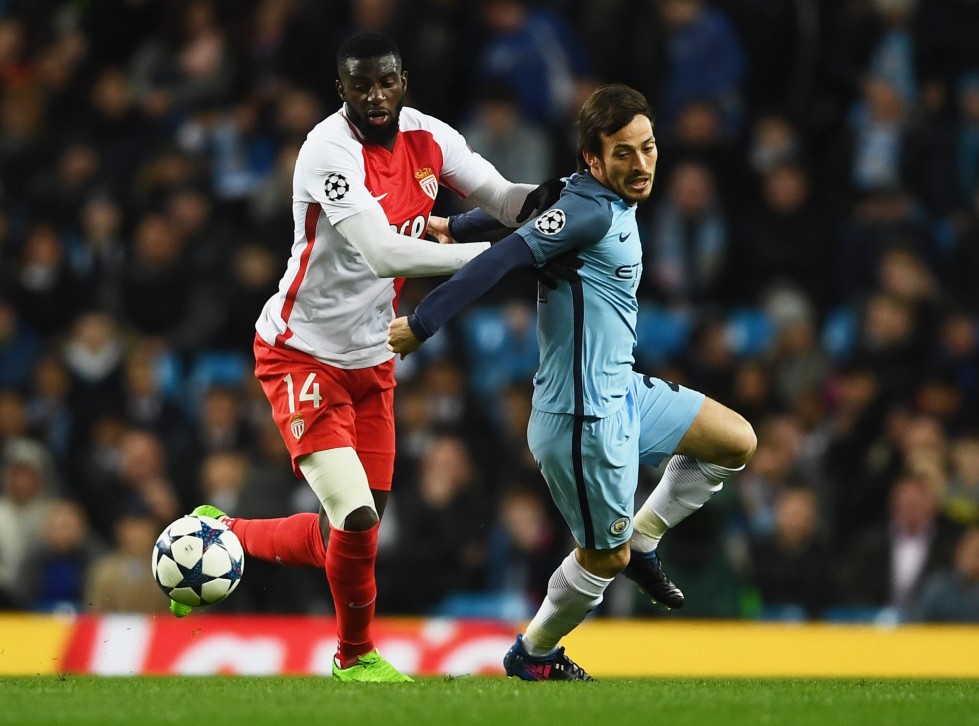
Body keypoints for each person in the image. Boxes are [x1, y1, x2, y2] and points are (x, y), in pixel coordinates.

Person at [172, 31, 562, 683]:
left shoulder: (431, 138)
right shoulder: (326, 151)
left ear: (403, 79)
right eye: (361, 84)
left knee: (353, 534)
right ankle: (354, 657)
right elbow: (385, 253)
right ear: (342, 90)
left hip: (372, 359)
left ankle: (230, 533)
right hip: (300, 353)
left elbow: (501, 198)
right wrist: (503, 258)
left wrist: (563, 202)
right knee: (352, 514)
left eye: (386, 81)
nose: (375, 96)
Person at [387, 84, 757, 680]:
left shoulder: (575, 193)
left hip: (623, 391)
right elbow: (505, 255)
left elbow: (525, 208)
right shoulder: (588, 209)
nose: (640, 166)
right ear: (593, 157)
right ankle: (533, 653)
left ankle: (644, 537)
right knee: (601, 558)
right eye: (623, 154)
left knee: (735, 441)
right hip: (581, 419)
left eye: (649, 148)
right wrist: (423, 323)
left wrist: (454, 224)